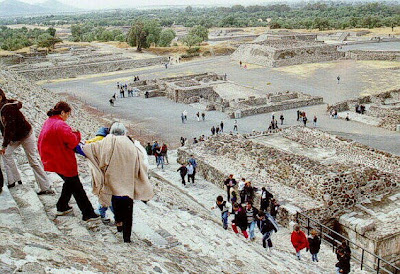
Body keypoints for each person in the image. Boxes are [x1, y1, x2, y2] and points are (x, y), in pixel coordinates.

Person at [82, 122, 153, 242]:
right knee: (128, 211)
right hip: (128, 184)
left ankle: (119, 226)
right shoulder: (132, 145)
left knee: (116, 207)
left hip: (113, 183)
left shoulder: (107, 142)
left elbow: (91, 149)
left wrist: (77, 144)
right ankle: (127, 237)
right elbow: (142, 163)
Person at [38, 101, 98, 221]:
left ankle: (62, 206)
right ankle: (88, 214)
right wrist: (76, 133)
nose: (67, 117)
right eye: (67, 114)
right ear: (62, 112)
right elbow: (73, 142)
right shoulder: (61, 125)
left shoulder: (50, 121)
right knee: (76, 186)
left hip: (51, 157)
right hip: (62, 159)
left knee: (70, 183)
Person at [0, 88, 54, 195]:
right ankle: (14, 179)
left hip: (26, 135)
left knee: (33, 160)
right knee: (6, 154)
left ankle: (45, 187)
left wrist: (4, 144)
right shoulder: (2, 107)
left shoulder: (7, 109)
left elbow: (10, 127)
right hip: (15, 137)